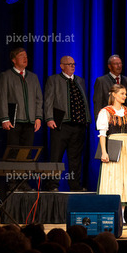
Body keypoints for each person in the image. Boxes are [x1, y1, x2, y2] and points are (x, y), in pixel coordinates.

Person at [44, 56, 91, 191]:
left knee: (75, 158)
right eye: (69, 64)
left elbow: (83, 101)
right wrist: (49, 118)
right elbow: (48, 100)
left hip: (78, 125)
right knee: (56, 156)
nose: (72, 66)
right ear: (62, 66)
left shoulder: (80, 80)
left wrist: (86, 119)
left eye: (73, 64)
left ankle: (75, 185)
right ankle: (52, 185)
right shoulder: (54, 80)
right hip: (60, 124)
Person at [96, 84, 127, 224]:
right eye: (122, 93)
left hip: (126, 147)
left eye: (125, 94)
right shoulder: (105, 112)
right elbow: (102, 134)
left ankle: (122, 216)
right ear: (114, 94)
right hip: (113, 145)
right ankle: (112, 214)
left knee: (125, 181)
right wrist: (104, 152)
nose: (125, 96)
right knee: (113, 180)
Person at [0, 47, 43, 146]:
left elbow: (38, 99)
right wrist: (4, 118)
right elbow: (1, 98)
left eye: (26, 56)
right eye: (21, 56)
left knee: (27, 152)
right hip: (13, 122)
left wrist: (38, 117)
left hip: (30, 121)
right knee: (13, 151)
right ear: (14, 60)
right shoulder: (6, 76)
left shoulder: (33, 77)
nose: (25, 58)